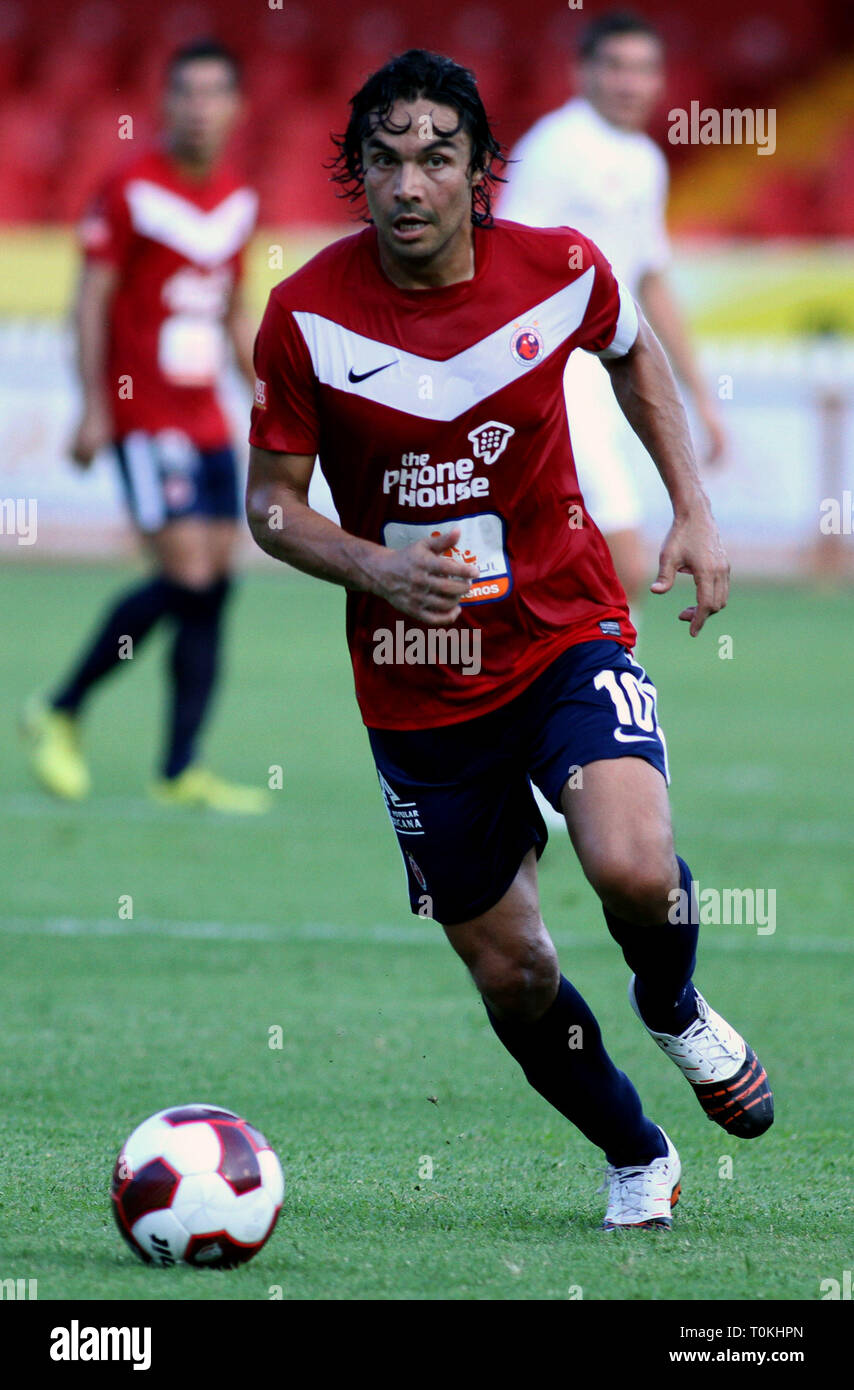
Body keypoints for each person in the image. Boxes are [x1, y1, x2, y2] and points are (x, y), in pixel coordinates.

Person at [245, 49, 773, 1230]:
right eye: (384, 161)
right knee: (511, 970)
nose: (409, 185)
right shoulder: (305, 316)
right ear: (358, 175)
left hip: (558, 631)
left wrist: (688, 504)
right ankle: (634, 1149)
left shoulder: (558, 269)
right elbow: (269, 504)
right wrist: (371, 562)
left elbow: (633, 346)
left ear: (481, 170)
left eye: (437, 158)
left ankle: (674, 1003)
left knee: (633, 866)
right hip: (415, 687)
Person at [24, 38, 269, 813]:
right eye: (185, 93)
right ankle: (58, 709)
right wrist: (95, 403)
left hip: (205, 418)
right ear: (165, 104)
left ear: (235, 108)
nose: (199, 108)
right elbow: (92, 298)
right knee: (188, 574)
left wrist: (266, 398)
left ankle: (179, 768)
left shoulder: (237, 197)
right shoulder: (129, 186)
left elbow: (232, 312)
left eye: (214, 94)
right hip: (142, 411)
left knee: (213, 584)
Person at [499, 10, 726, 619]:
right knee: (622, 561)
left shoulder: (645, 160)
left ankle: (583, 692)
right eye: (617, 67)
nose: (631, 83)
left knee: (578, 559)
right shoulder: (555, 149)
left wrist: (700, 399)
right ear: (583, 73)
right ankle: (603, 699)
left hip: (618, 376)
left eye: (645, 69)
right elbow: (503, 258)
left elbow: (649, 282)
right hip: (561, 374)